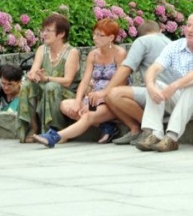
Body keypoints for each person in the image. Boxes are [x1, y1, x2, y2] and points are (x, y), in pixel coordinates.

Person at [135, 12, 193, 153]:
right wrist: (150, 86)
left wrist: (174, 86)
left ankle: (172, 138)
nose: (189, 29)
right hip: (181, 100)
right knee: (156, 85)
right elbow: (154, 68)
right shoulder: (174, 46)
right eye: (188, 25)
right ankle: (154, 134)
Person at [33, 19, 128, 147]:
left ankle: (54, 137)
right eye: (94, 34)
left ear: (111, 37)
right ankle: (106, 126)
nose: (95, 38)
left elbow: (122, 82)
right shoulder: (93, 55)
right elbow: (85, 81)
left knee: (88, 115)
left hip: (112, 99)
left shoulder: (120, 53)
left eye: (100, 35)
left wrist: (102, 95)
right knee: (65, 105)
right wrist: (79, 101)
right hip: (93, 98)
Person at [17, 13, 81, 142]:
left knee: (51, 86)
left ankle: (58, 131)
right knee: (27, 85)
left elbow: (68, 81)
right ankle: (33, 127)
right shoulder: (42, 49)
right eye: (43, 30)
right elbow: (34, 69)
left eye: (48, 31)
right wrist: (33, 75)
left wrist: (46, 78)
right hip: (46, 87)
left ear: (61, 34)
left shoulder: (72, 52)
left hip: (67, 93)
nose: (44, 34)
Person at [105, 20, 171, 144]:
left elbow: (126, 68)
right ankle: (135, 130)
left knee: (113, 94)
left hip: (159, 96)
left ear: (140, 34)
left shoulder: (143, 41)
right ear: (160, 31)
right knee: (112, 94)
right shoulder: (170, 42)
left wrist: (104, 91)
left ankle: (150, 129)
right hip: (174, 96)